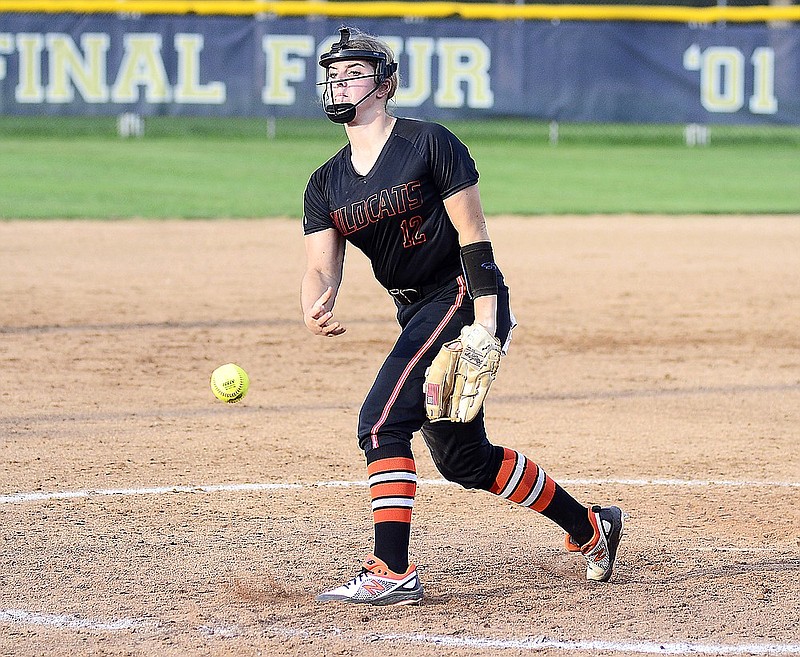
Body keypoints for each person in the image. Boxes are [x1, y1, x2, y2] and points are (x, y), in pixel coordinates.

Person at [301, 26, 624, 606]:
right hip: (415, 308)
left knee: (380, 422)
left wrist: (485, 322)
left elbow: (474, 236)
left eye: (354, 72)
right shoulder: (324, 182)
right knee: (464, 460)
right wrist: (316, 297)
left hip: (461, 294)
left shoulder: (429, 143)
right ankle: (591, 527)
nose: (340, 82)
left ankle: (391, 570)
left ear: (386, 84)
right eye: (333, 73)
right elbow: (323, 266)